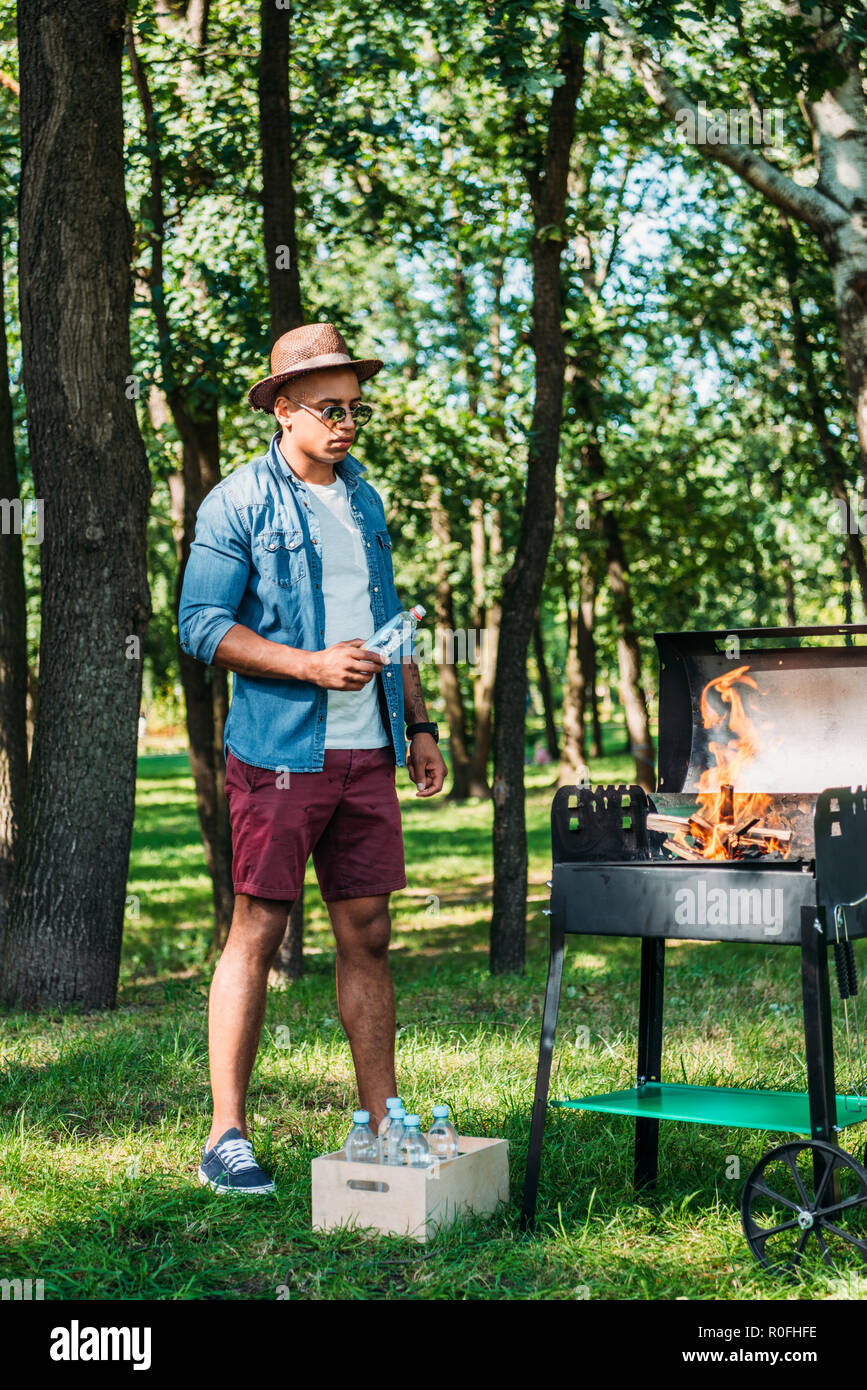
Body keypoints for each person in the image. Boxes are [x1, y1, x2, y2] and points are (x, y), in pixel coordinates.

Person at [178, 322, 447, 1194]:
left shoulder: (363, 500)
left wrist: (418, 722)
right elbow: (201, 627)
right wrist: (309, 664)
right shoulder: (238, 501)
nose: (346, 424)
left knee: (367, 933)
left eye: (356, 410)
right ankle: (227, 1135)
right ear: (283, 410)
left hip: (368, 749)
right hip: (280, 751)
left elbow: (390, 620)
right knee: (258, 928)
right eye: (329, 408)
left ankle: (380, 1121)